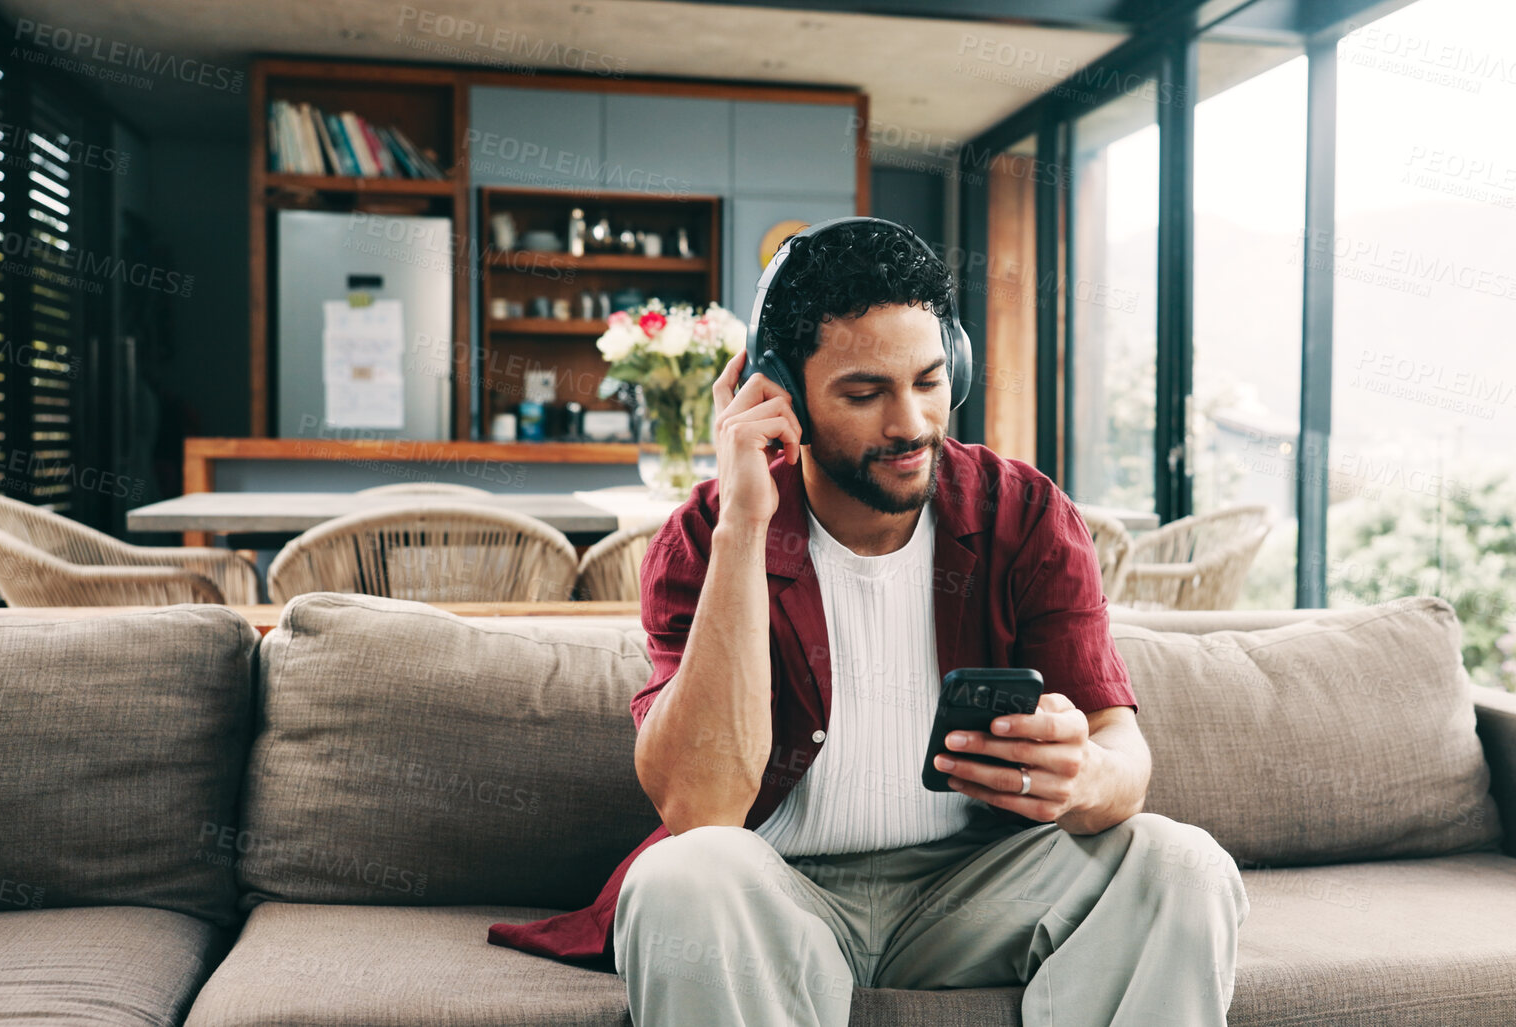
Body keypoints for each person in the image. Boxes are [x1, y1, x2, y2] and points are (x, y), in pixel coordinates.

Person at [488, 219, 1247, 1026]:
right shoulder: (706, 534)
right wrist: (747, 520)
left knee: (1183, 862)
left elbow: (1120, 750)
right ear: (778, 391)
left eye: (928, 381)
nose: (911, 423)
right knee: (681, 876)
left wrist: (1085, 775)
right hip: (780, 891)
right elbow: (699, 808)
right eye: (863, 393)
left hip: (979, 886)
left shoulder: (1021, 513)